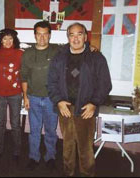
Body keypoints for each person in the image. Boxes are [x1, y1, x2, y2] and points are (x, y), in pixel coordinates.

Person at [47, 22, 112, 177]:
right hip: (65, 107)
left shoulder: (96, 58)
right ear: (68, 37)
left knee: (85, 146)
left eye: (79, 34)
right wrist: (58, 101)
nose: (76, 38)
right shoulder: (59, 58)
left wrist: (94, 103)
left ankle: (87, 174)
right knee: (67, 145)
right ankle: (68, 172)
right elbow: (51, 82)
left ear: (85, 36)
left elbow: (105, 84)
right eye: (72, 35)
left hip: (86, 108)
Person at [20, 21, 59, 171]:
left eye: (45, 34)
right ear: (35, 35)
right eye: (39, 34)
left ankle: (50, 156)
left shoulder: (57, 51)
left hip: (51, 99)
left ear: (49, 35)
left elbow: (76, 49)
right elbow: (23, 77)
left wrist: (90, 47)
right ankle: (33, 157)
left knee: (50, 130)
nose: (42, 37)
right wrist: (25, 97)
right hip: (33, 98)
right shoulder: (27, 54)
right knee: (34, 131)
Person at [0, 28, 23, 163]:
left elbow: (24, 75)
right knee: (0, 123)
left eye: (10, 39)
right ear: (0, 41)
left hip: (15, 94)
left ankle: (17, 151)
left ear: (14, 40)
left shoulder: (20, 53)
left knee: (15, 124)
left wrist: (25, 95)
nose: (8, 41)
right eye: (5, 39)